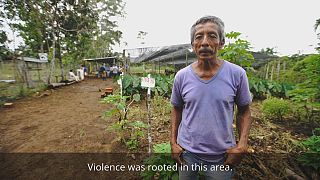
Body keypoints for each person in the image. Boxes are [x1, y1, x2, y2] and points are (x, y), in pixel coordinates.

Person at [170, 16, 252, 180]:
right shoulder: (182, 76)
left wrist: (242, 145)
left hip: (221, 156)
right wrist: (173, 142)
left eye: (212, 36)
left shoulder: (237, 74)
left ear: (221, 43)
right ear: (193, 45)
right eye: (199, 37)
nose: (205, 42)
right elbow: (176, 108)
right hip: (187, 153)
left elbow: (244, 111)